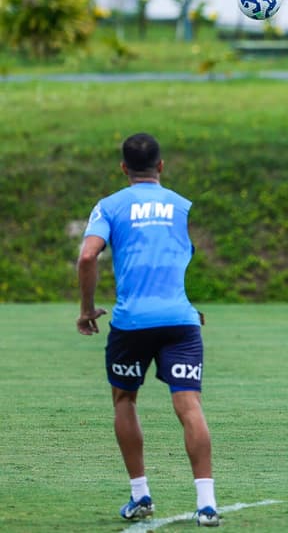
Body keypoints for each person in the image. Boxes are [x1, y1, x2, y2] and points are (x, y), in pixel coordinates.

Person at [76, 133, 220, 527]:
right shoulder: (180, 205)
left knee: (125, 400)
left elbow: (88, 255)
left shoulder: (109, 206)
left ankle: (141, 496)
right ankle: (206, 504)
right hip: (180, 319)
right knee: (189, 406)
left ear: (123, 168)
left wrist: (87, 310)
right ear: (161, 167)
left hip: (131, 322)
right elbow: (174, 255)